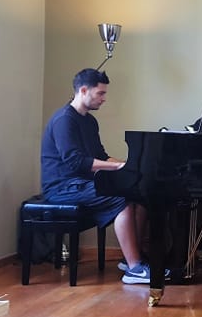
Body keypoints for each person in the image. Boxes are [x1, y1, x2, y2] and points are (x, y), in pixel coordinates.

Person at [41, 68, 150, 284]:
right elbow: (76, 162)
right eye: (100, 93)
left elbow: (100, 156)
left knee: (139, 196)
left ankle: (131, 259)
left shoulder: (89, 121)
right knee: (121, 199)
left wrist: (129, 166)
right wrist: (118, 167)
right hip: (62, 188)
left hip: (82, 184)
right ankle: (135, 269)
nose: (104, 98)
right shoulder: (64, 120)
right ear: (83, 90)